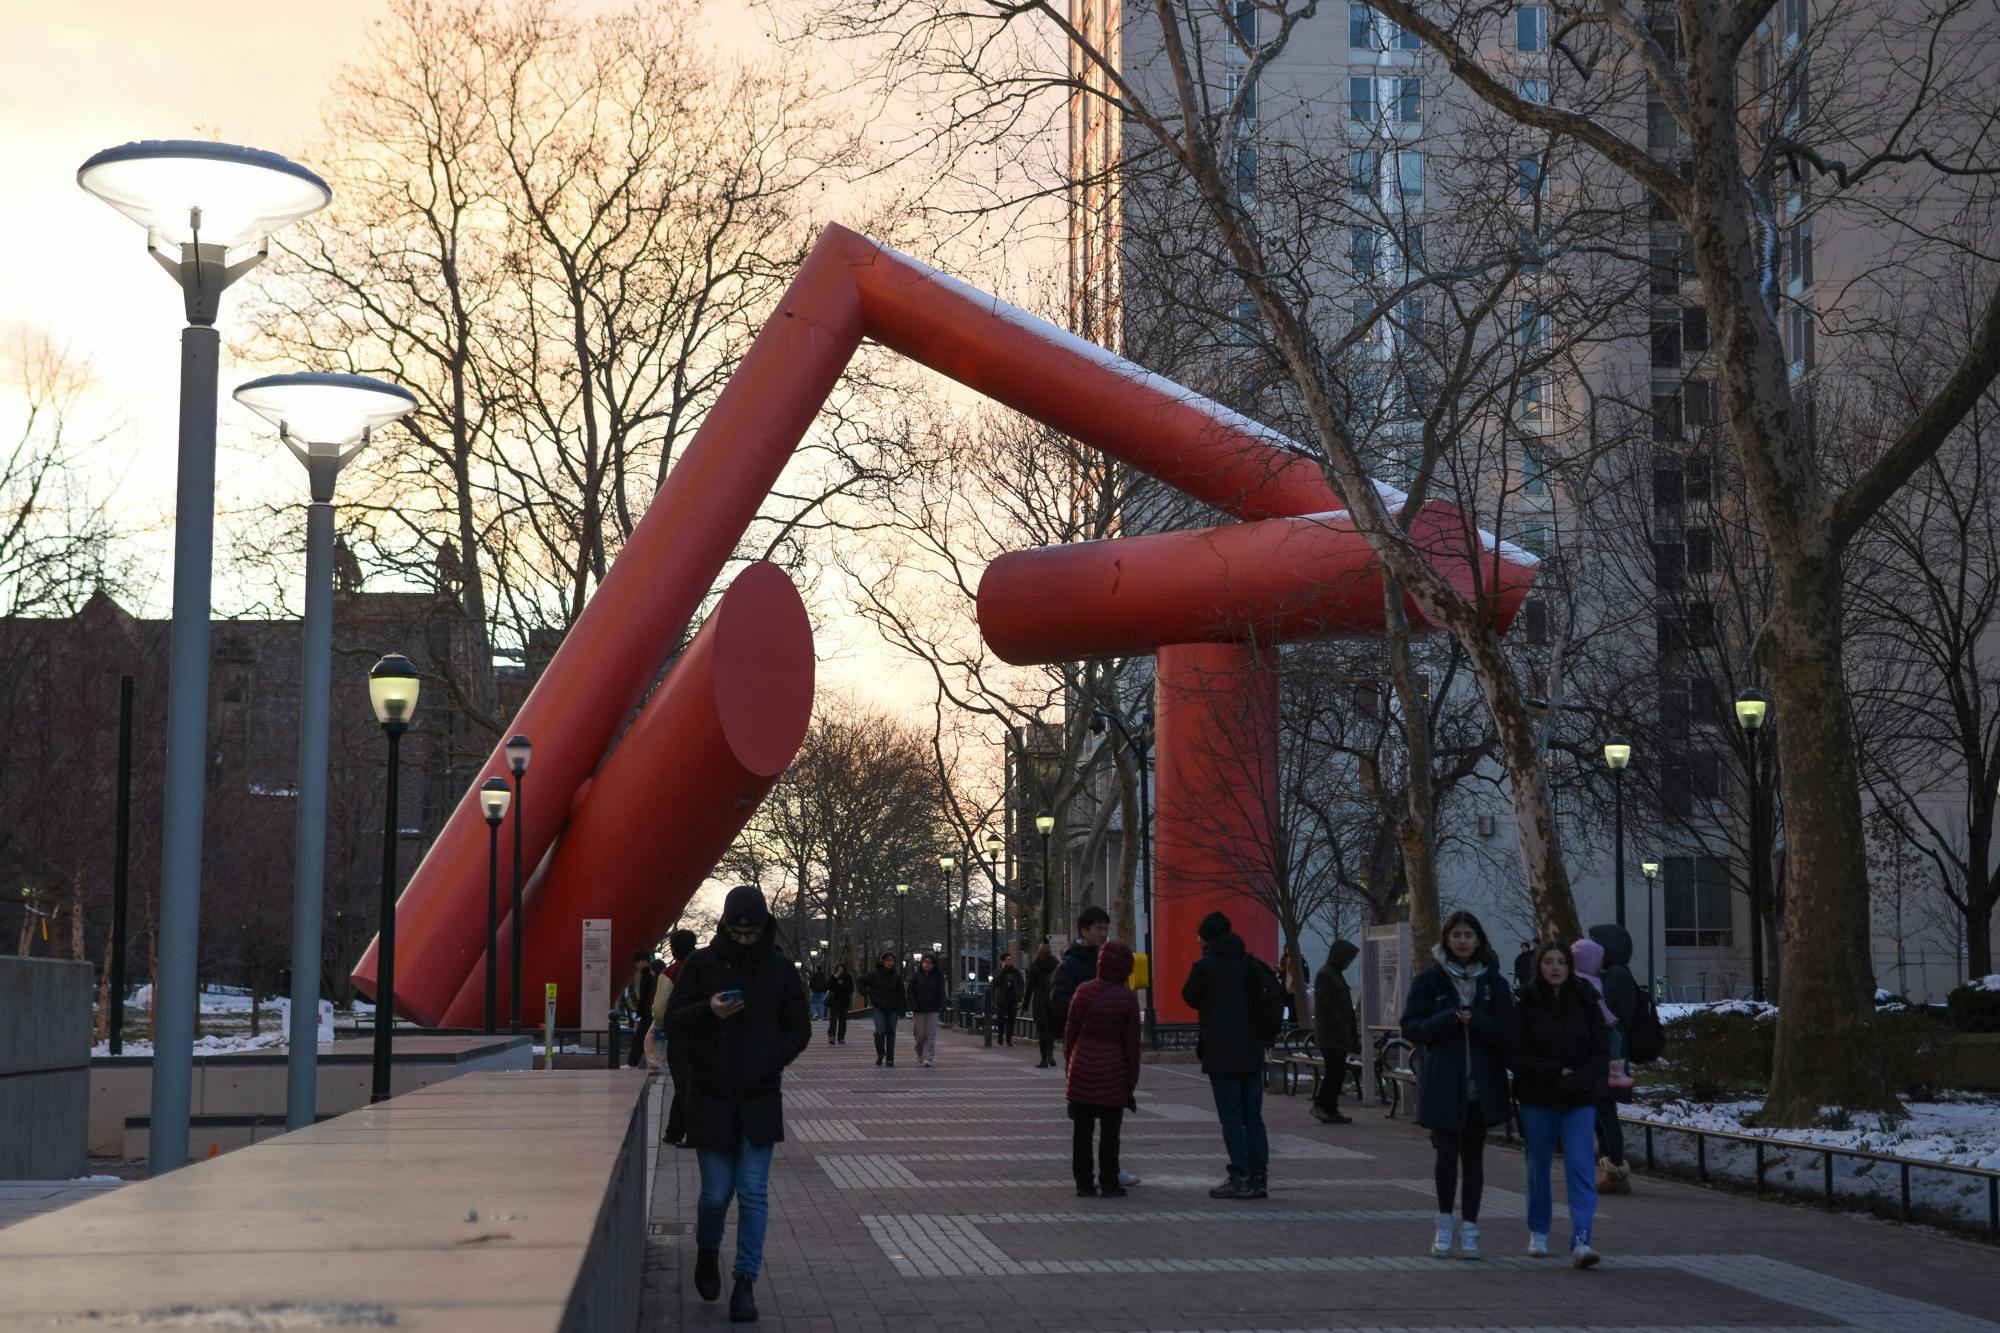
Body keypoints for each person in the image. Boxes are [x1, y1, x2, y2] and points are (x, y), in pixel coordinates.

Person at [662, 885, 811, 1322]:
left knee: (752, 1192)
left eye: (752, 932)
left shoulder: (780, 970)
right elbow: (673, 1019)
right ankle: (708, 1251)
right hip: (711, 1094)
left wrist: (774, 1057)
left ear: (764, 927)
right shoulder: (703, 966)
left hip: (759, 1094)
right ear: (726, 926)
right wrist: (708, 1009)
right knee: (715, 1194)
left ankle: (745, 1281)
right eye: (738, 932)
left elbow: (799, 1027)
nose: (745, 939)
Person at [1401, 909, 1512, 1260]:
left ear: (1478, 940)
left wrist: (1476, 1020)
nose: (1462, 941)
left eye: (1468, 935)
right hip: (1442, 1086)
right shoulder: (1429, 980)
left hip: (1480, 1088)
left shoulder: (1494, 984)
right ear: (1446, 940)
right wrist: (1447, 1019)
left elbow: (1506, 1033)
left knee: (1474, 1159)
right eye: (1457, 935)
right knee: (1446, 1157)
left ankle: (1471, 1228)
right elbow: (1411, 1026)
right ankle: (1444, 1222)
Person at [1505, 941, 1607, 1268]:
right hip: (1538, 1097)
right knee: (1538, 1167)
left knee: (1580, 1166)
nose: (1555, 967)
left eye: (1561, 961)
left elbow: (1601, 1053)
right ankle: (1538, 1231)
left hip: (1579, 1097)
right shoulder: (1525, 1005)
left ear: (1570, 966)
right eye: (1548, 962)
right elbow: (1513, 1055)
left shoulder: (1587, 1002)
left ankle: (1582, 1238)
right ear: (1539, 966)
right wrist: (1552, 1071)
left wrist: (1578, 1078)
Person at [1181, 910, 1273, 1201]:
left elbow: (1189, 996)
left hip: (1221, 1051)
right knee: (1253, 1117)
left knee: (1232, 1118)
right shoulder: (1250, 964)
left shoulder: (1205, 967)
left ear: (1205, 938)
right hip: (1251, 1050)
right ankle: (1259, 1176)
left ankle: (1239, 1177)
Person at [1064, 939, 1141, 1197]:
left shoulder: (1083, 992)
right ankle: (1109, 1180)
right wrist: (1131, 1080)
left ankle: (1083, 1182)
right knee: (1110, 1131)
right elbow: (1132, 1046)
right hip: (1113, 1071)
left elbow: (1070, 1034)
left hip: (1082, 1066)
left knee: (1082, 1131)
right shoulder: (1127, 1000)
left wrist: (1070, 1067)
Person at [1585, 924, 1640, 1195]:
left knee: (1605, 1112)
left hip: (1612, 1055)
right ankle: (1611, 1168)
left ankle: (1616, 1169)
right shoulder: (1614, 973)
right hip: (1606, 1053)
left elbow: (1596, 1003)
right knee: (1600, 1111)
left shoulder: (1616, 975)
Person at [1311, 940, 1359, 1125]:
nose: (1349, 963)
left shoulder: (1336, 974)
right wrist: (1339, 1021)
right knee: (1335, 1071)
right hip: (1330, 1033)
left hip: (1339, 1033)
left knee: (1337, 1071)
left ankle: (1330, 1108)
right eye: (1348, 959)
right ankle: (1322, 1105)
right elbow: (1324, 1004)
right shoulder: (1326, 974)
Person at [1048, 906, 1110, 1041]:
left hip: (1110, 1038)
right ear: (1084, 931)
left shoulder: (1110, 963)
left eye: (1105, 929)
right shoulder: (1068, 966)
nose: (1103, 934)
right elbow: (1059, 1001)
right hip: (1081, 1038)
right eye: (1099, 929)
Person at [659, 930, 698, 1146]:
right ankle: (673, 1132)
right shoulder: (704, 966)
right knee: (686, 1084)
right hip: (702, 1032)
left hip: (679, 1035)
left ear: (674, 948)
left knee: (683, 1085)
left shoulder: (670, 972)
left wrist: (664, 1026)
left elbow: (659, 1008)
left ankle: (693, 1134)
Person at [859, 951, 906, 1067]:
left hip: (893, 1007)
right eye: (887, 960)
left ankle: (890, 1058)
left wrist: (903, 1008)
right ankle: (880, 1053)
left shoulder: (896, 976)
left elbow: (901, 993)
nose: (890, 963)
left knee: (891, 1032)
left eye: (892, 960)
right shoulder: (874, 974)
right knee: (880, 1032)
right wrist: (866, 992)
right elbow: (861, 980)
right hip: (879, 1006)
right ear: (882, 961)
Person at [620, 950, 658, 1068]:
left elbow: (645, 995)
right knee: (644, 1038)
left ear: (643, 961)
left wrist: (640, 1011)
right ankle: (642, 1063)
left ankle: (634, 1063)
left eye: (637, 962)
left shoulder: (647, 975)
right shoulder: (649, 974)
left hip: (647, 1012)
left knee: (640, 1038)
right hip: (649, 1011)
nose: (636, 965)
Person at [909, 953, 947, 1067]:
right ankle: (920, 1052)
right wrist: (913, 1005)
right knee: (920, 1034)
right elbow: (910, 992)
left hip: (933, 1008)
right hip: (919, 1008)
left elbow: (942, 992)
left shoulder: (938, 977)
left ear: (933, 964)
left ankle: (928, 1057)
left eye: (930, 963)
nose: (927, 965)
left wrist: (942, 1005)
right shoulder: (916, 976)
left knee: (931, 1034)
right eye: (925, 962)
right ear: (922, 963)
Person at [1026, 942, 1059, 1068]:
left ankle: (1044, 1059)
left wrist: (1025, 1003)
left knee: (1041, 1030)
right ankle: (1051, 1054)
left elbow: (1030, 987)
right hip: (1051, 999)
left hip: (1039, 1000)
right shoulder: (1056, 964)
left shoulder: (1035, 966)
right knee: (1049, 1029)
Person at [992, 951, 1024, 1047]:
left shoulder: (1015, 972)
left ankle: (1009, 1039)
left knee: (1011, 1021)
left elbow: (1021, 984)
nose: (1010, 961)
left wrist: (1020, 995)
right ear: (1003, 961)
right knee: (1001, 1020)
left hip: (1012, 999)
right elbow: (996, 982)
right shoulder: (998, 971)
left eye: (1010, 959)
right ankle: (1000, 1036)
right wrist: (1002, 970)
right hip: (1002, 1000)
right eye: (1008, 960)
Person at [824, 962, 854, 1045]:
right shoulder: (833, 977)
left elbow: (851, 989)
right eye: (838, 969)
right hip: (834, 1001)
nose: (840, 971)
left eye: (842, 969)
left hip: (843, 1001)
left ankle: (841, 1037)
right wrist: (835, 977)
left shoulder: (848, 977)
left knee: (842, 1020)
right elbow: (829, 986)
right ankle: (831, 1036)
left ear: (844, 970)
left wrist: (842, 984)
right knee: (833, 1019)